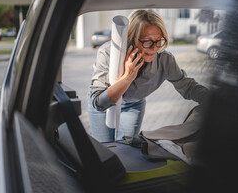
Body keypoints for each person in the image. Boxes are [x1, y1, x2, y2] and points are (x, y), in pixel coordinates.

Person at [87, 9, 208, 142]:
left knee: (126, 147)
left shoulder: (164, 60)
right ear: (131, 38)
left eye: (159, 41)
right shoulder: (108, 53)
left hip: (133, 104)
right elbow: (99, 103)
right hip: (105, 103)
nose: (154, 48)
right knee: (105, 148)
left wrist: (215, 102)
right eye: (147, 41)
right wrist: (128, 77)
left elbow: (188, 87)